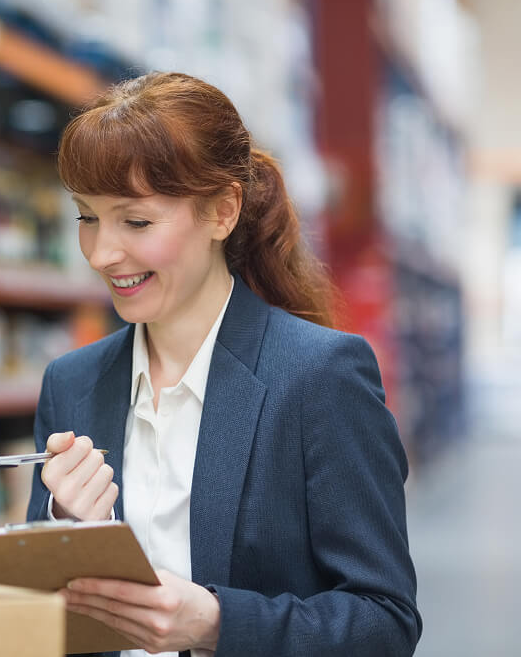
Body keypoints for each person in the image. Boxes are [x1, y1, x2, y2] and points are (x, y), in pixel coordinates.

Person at [27, 72, 421, 657]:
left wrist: (216, 623)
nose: (103, 253)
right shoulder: (73, 384)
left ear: (222, 211)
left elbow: (384, 622)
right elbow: (45, 616)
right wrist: (63, 528)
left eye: (135, 221)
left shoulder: (319, 378)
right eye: (87, 217)